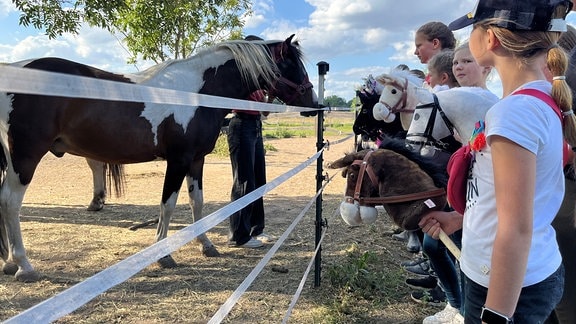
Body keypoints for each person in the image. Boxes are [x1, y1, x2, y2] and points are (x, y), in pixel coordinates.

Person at [419, 1, 575, 323]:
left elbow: (516, 229)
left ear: (490, 39)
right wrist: (461, 219)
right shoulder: (539, 98)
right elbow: (517, 199)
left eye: (473, 28)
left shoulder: (513, 114)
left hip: (505, 288)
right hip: (522, 273)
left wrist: (496, 315)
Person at [419, 42, 499, 324]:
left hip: (480, 196)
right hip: (458, 190)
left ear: (487, 67)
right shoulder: (450, 102)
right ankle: (457, 306)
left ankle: (464, 310)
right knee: (437, 245)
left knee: (467, 253)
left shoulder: (493, 105)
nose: (458, 67)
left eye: (467, 61)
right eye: (456, 62)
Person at [227, 35, 272, 249]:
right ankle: (239, 235)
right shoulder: (243, 74)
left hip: (255, 125)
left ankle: (256, 228)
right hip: (241, 124)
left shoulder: (259, 79)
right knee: (244, 181)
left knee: (258, 180)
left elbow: (264, 111)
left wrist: (270, 96)